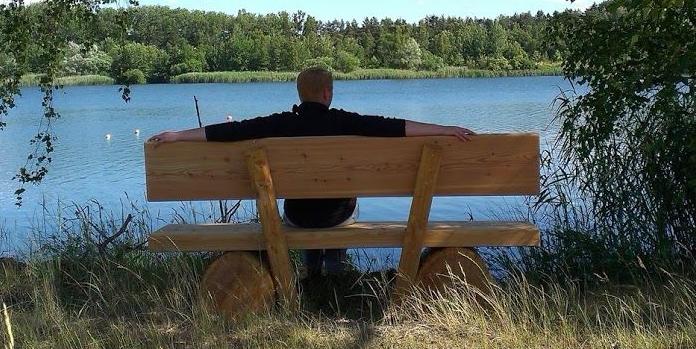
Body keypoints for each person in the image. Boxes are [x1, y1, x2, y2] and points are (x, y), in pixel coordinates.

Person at [147, 65, 474, 277]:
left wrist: (178, 135)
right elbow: (394, 127)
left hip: (298, 217)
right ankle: (333, 266)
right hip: (338, 217)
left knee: (303, 201)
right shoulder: (347, 121)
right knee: (343, 200)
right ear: (327, 93)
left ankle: (313, 269)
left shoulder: (280, 123)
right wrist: (443, 128)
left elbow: (230, 131)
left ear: (300, 94)